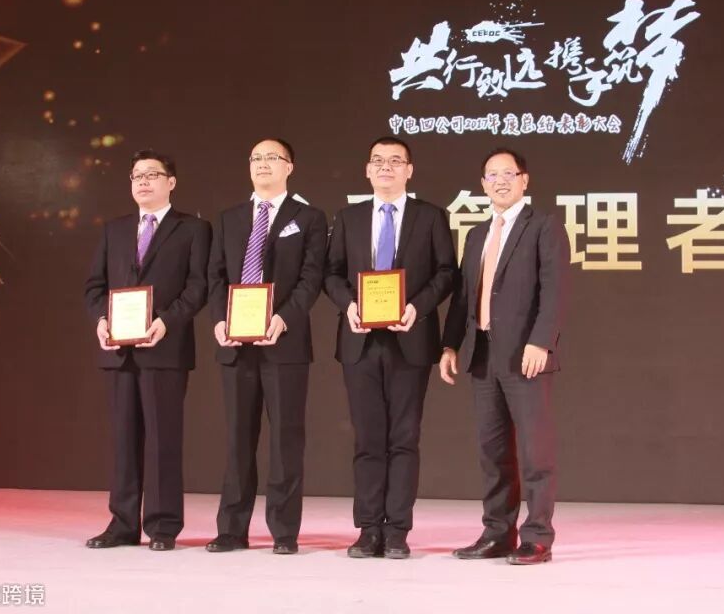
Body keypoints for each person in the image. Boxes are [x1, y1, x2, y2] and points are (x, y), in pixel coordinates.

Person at [323, 136, 457, 559]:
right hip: (359, 340)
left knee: (403, 438)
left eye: (395, 161)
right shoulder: (348, 217)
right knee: (367, 439)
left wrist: (417, 307)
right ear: (367, 170)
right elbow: (331, 273)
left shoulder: (430, 216)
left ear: (409, 170)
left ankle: (397, 529)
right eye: (378, 161)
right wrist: (349, 305)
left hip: (410, 339)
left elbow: (446, 273)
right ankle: (368, 529)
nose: (386, 167)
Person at [440, 148, 568, 566]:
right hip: (482, 353)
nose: (500, 181)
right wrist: (450, 344)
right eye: (492, 175)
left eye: (508, 174)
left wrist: (541, 341)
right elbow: (464, 296)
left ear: (524, 180)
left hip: (525, 354)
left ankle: (538, 536)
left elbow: (555, 289)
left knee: (535, 451)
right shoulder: (477, 233)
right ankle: (497, 533)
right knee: (492, 451)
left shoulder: (544, 226)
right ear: (482, 184)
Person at [83, 149, 211, 551]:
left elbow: (198, 287)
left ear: (171, 182)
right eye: (137, 175)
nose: (143, 182)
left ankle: (163, 525)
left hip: (164, 347)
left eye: (152, 175)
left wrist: (167, 321)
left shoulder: (193, 228)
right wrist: (101, 320)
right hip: (119, 350)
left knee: (162, 440)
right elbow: (95, 286)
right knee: (123, 441)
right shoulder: (115, 229)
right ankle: (122, 524)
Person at [204, 138, 327, 555]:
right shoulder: (230, 218)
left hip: (284, 342)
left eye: (272, 158)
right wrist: (219, 320)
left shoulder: (308, 218)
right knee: (238, 439)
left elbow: (311, 278)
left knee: (285, 440)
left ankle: (284, 531)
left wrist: (284, 317)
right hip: (235, 343)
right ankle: (231, 529)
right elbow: (215, 276)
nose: (262, 164)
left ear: (289, 167)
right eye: (256, 158)